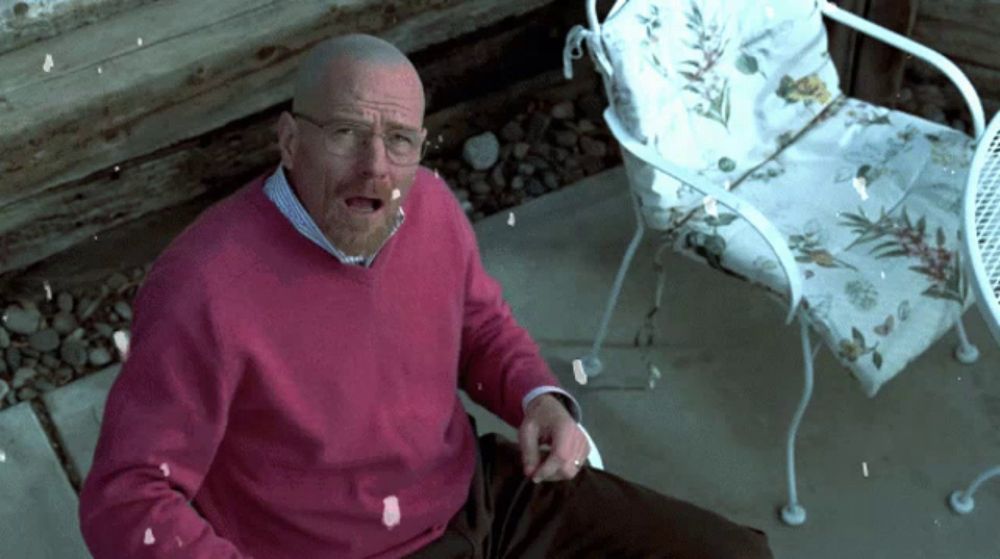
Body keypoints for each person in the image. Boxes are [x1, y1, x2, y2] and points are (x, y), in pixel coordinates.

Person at [78, 33, 774, 558]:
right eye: (346, 133)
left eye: (400, 141)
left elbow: (478, 325)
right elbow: (128, 496)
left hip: (484, 496)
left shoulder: (431, 205)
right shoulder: (202, 285)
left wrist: (538, 398)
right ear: (289, 141)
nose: (376, 168)